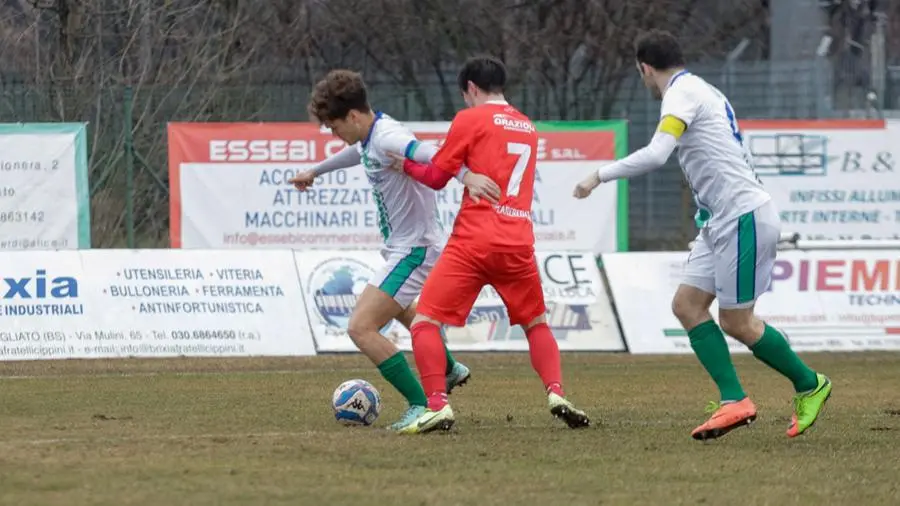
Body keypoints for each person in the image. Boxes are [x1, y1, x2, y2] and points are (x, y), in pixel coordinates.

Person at [573, 30, 832, 440]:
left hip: (742, 217)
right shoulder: (699, 89)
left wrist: (598, 175)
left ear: (644, 67)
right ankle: (734, 400)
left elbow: (658, 154)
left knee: (737, 322)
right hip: (719, 221)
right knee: (687, 305)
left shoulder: (680, 95)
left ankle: (809, 383)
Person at [389, 56, 591, 433]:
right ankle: (556, 392)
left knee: (424, 323)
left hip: (474, 240)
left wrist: (407, 167)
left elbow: (435, 176)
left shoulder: (470, 118)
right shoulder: (527, 126)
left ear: (471, 89)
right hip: (517, 241)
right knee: (536, 323)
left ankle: (437, 405)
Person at [288, 69, 492, 433]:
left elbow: (430, 153)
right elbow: (357, 153)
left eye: (334, 127)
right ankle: (448, 369)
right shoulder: (372, 137)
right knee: (405, 311)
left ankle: (422, 404)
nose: (334, 135)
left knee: (361, 327)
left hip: (414, 250)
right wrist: (316, 171)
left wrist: (466, 176)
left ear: (352, 116)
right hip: (406, 246)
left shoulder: (388, 135)